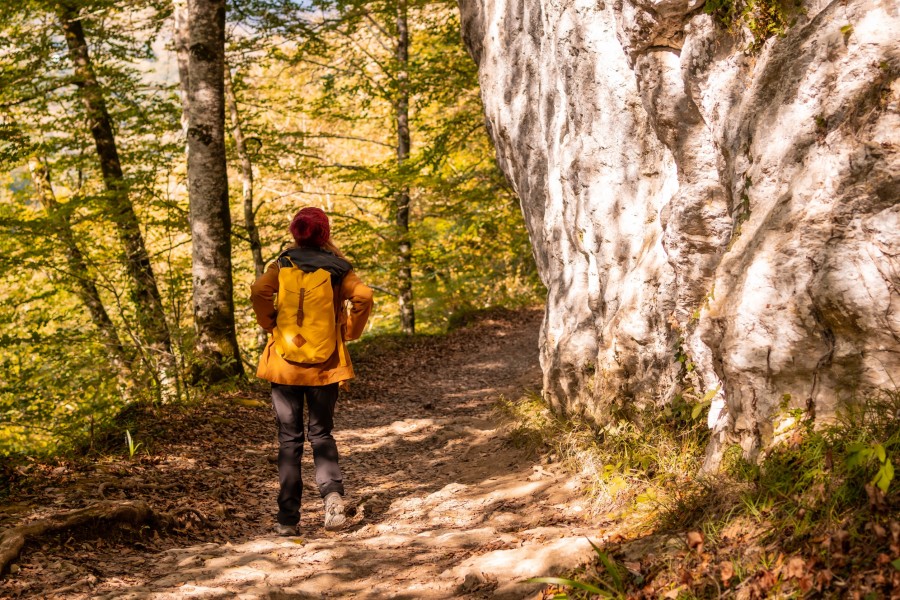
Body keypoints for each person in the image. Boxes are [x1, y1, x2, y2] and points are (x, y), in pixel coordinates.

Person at [250, 207, 374, 536]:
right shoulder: (339, 269)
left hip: (284, 366)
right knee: (321, 435)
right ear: (324, 233)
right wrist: (348, 330)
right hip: (325, 366)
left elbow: (258, 292)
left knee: (288, 441)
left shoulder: (282, 264)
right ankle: (332, 502)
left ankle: (287, 520)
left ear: (296, 233)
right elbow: (364, 297)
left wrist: (270, 323)